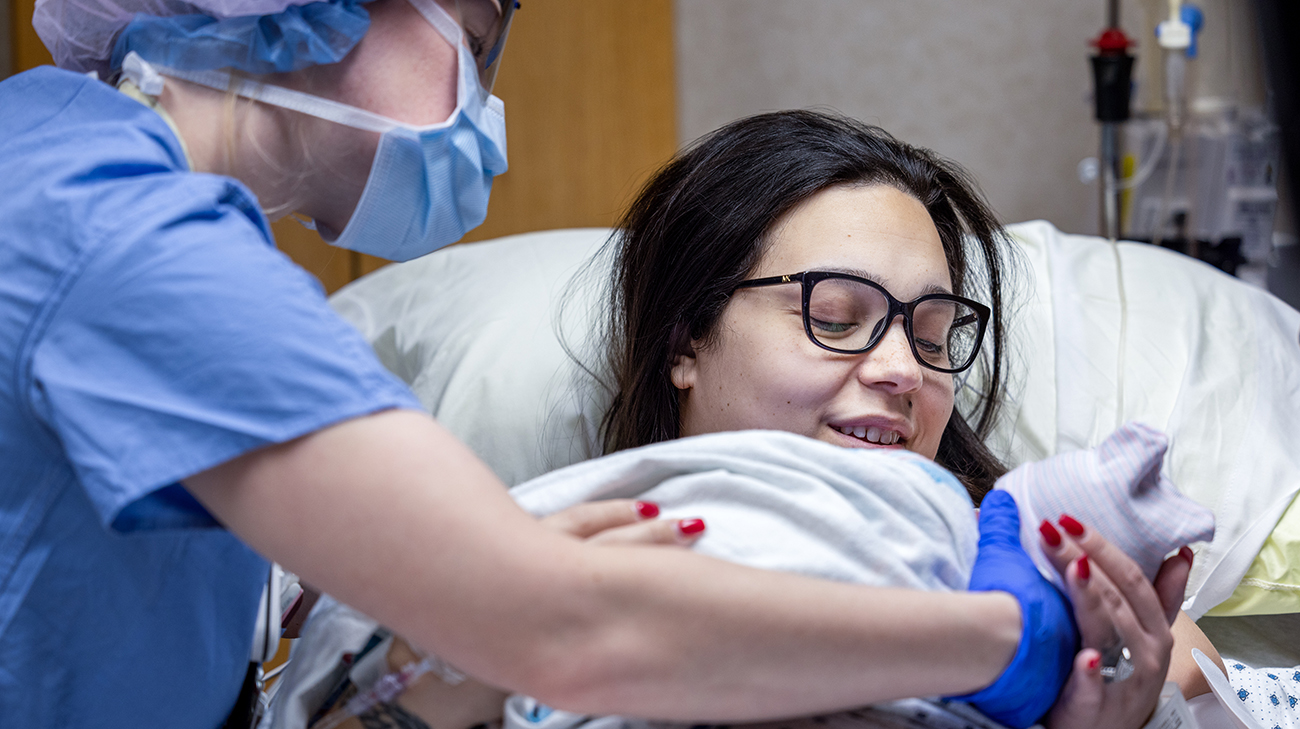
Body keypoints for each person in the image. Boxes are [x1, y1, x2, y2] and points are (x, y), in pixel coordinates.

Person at [0, 1, 1152, 726]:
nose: (901, 368)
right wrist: (1011, 640)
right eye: (479, 31)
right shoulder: (118, 238)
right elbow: (564, 627)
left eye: (935, 330)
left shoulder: (111, 191)